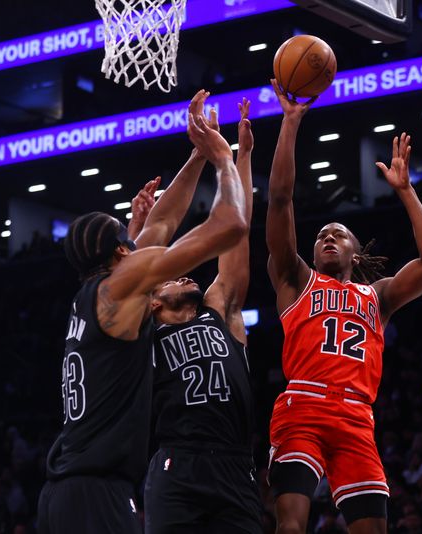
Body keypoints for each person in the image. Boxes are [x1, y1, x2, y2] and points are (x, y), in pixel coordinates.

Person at [37, 93, 248, 534]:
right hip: (97, 493)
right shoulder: (122, 285)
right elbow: (230, 224)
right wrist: (224, 161)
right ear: (121, 251)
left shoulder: (99, 293)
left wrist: (196, 154)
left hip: (66, 491)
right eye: (127, 239)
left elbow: (164, 223)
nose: (138, 239)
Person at [265, 78, 422, 534]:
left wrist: (405, 191)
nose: (327, 236)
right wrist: (290, 123)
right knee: (291, 526)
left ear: (355, 252)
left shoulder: (378, 296)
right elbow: (281, 199)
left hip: (356, 419)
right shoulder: (295, 278)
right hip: (303, 405)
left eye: (338, 233)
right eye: (321, 233)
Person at [142, 98, 264, 533]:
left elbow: (237, 231)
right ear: (153, 302)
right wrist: (140, 230)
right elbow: (142, 263)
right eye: (171, 281)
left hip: (235, 462)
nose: (185, 276)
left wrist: (241, 159)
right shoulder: (144, 333)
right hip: (178, 462)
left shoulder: (221, 312)